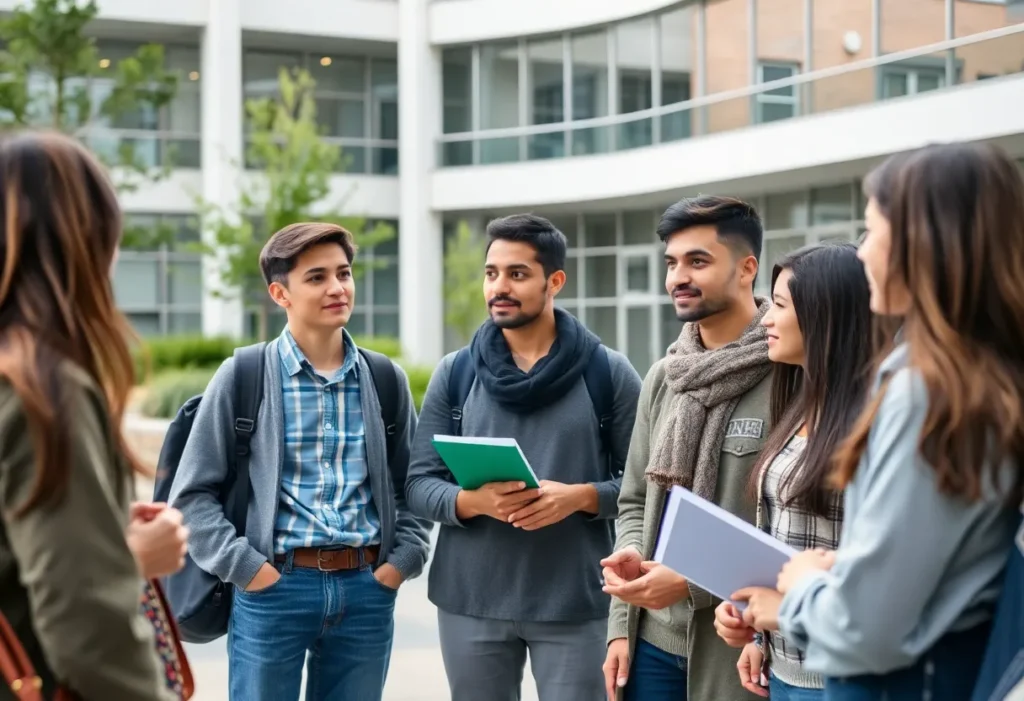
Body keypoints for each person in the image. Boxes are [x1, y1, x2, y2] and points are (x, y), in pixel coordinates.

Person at [774, 143, 1024, 700]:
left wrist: (804, 588)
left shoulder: (928, 392)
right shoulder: (987, 375)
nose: (861, 256)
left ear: (920, 243)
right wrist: (859, 562)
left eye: (872, 231)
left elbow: (863, 629)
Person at [170, 222, 431, 701]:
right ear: (279, 292)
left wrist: (400, 563)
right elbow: (191, 496)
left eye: (344, 273)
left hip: (366, 589)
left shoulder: (384, 378)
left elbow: (410, 485)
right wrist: (247, 568)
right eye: (316, 277)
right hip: (274, 590)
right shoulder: (243, 375)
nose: (337, 288)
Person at [405, 214, 642, 701]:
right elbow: (419, 484)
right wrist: (475, 502)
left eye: (517, 274)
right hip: (468, 600)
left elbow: (646, 487)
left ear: (554, 281)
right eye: (491, 274)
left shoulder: (608, 372)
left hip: (575, 601)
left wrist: (579, 497)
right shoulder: (457, 372)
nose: (499, 287)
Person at [0, 131, 181, 700]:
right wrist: (123, 559)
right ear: (86, 241)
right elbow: (85, 620)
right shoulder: (41, 388)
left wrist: (99, 530)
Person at [602, 195, 773, 701]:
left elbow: (787, 522)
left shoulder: (790, 373)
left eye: (698, 261)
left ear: (747, 269)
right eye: (672, 263)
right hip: (651, 639)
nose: (678, 277)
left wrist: (693, 581)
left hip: (734, 644)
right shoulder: (664, 376)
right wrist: (620, 615)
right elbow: (634, 499)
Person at [711, 243, 873, 700]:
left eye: (779, 305)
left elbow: (878, 569)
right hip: (784, 670)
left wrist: (786, 611)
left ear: (826, 316)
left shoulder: (873, 425)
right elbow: (789, 539)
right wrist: (756, 623)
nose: (765, 318)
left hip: (841, 678)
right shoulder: (801, 403)